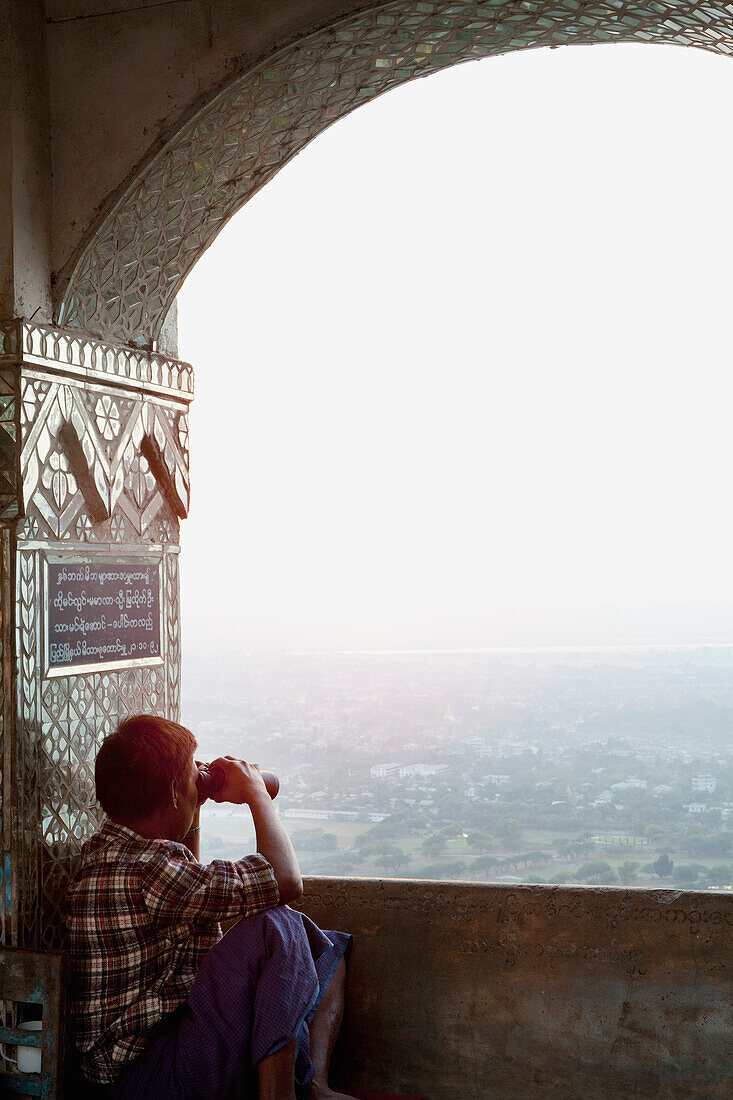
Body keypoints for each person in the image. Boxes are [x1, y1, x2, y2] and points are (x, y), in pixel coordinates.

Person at [66, 714, 356, 1100]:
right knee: (279, 927)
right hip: (151, 1076)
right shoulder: (150, 871)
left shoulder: (108, 852)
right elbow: (286, 881)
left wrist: (193, 800)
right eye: (191, 777)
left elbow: (192, 893)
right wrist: (256, 793)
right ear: (172, 792)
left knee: (321, 946)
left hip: (135, 1068)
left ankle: (315, 1085)